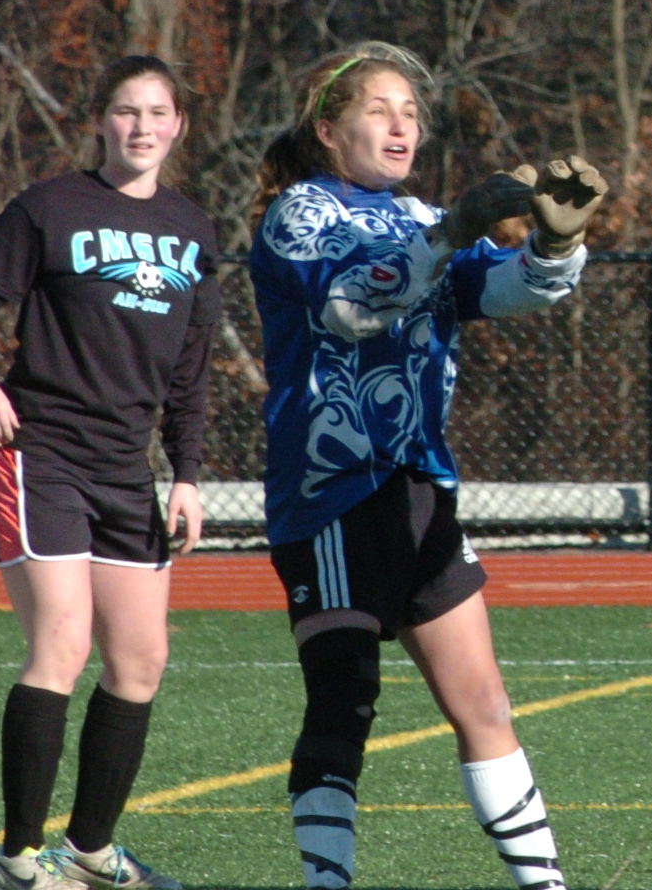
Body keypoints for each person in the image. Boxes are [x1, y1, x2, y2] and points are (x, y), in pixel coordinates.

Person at [248, 44, 608, 890]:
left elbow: (511, 289)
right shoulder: (301, 213)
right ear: (328, 130)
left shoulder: (422, 216)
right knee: (344, 704)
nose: (400, 124)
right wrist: (450, 233)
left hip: (419, 488)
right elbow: (351, 307)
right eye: (378, 109)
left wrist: (557, 244)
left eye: (410, 111)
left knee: (484, 703)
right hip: (334, 492)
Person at [0, 55, 220, 890]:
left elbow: (192, 371)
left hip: (126, 469)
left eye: (158, 112)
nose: (142, 126)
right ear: (101, 120)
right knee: (61, 642)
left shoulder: (194, 230)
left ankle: (91, 853)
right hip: (41, 455)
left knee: (141, 662)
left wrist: (187, 473)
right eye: (127, 111)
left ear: (179, 126)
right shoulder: (50, 206)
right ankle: (19, 861)